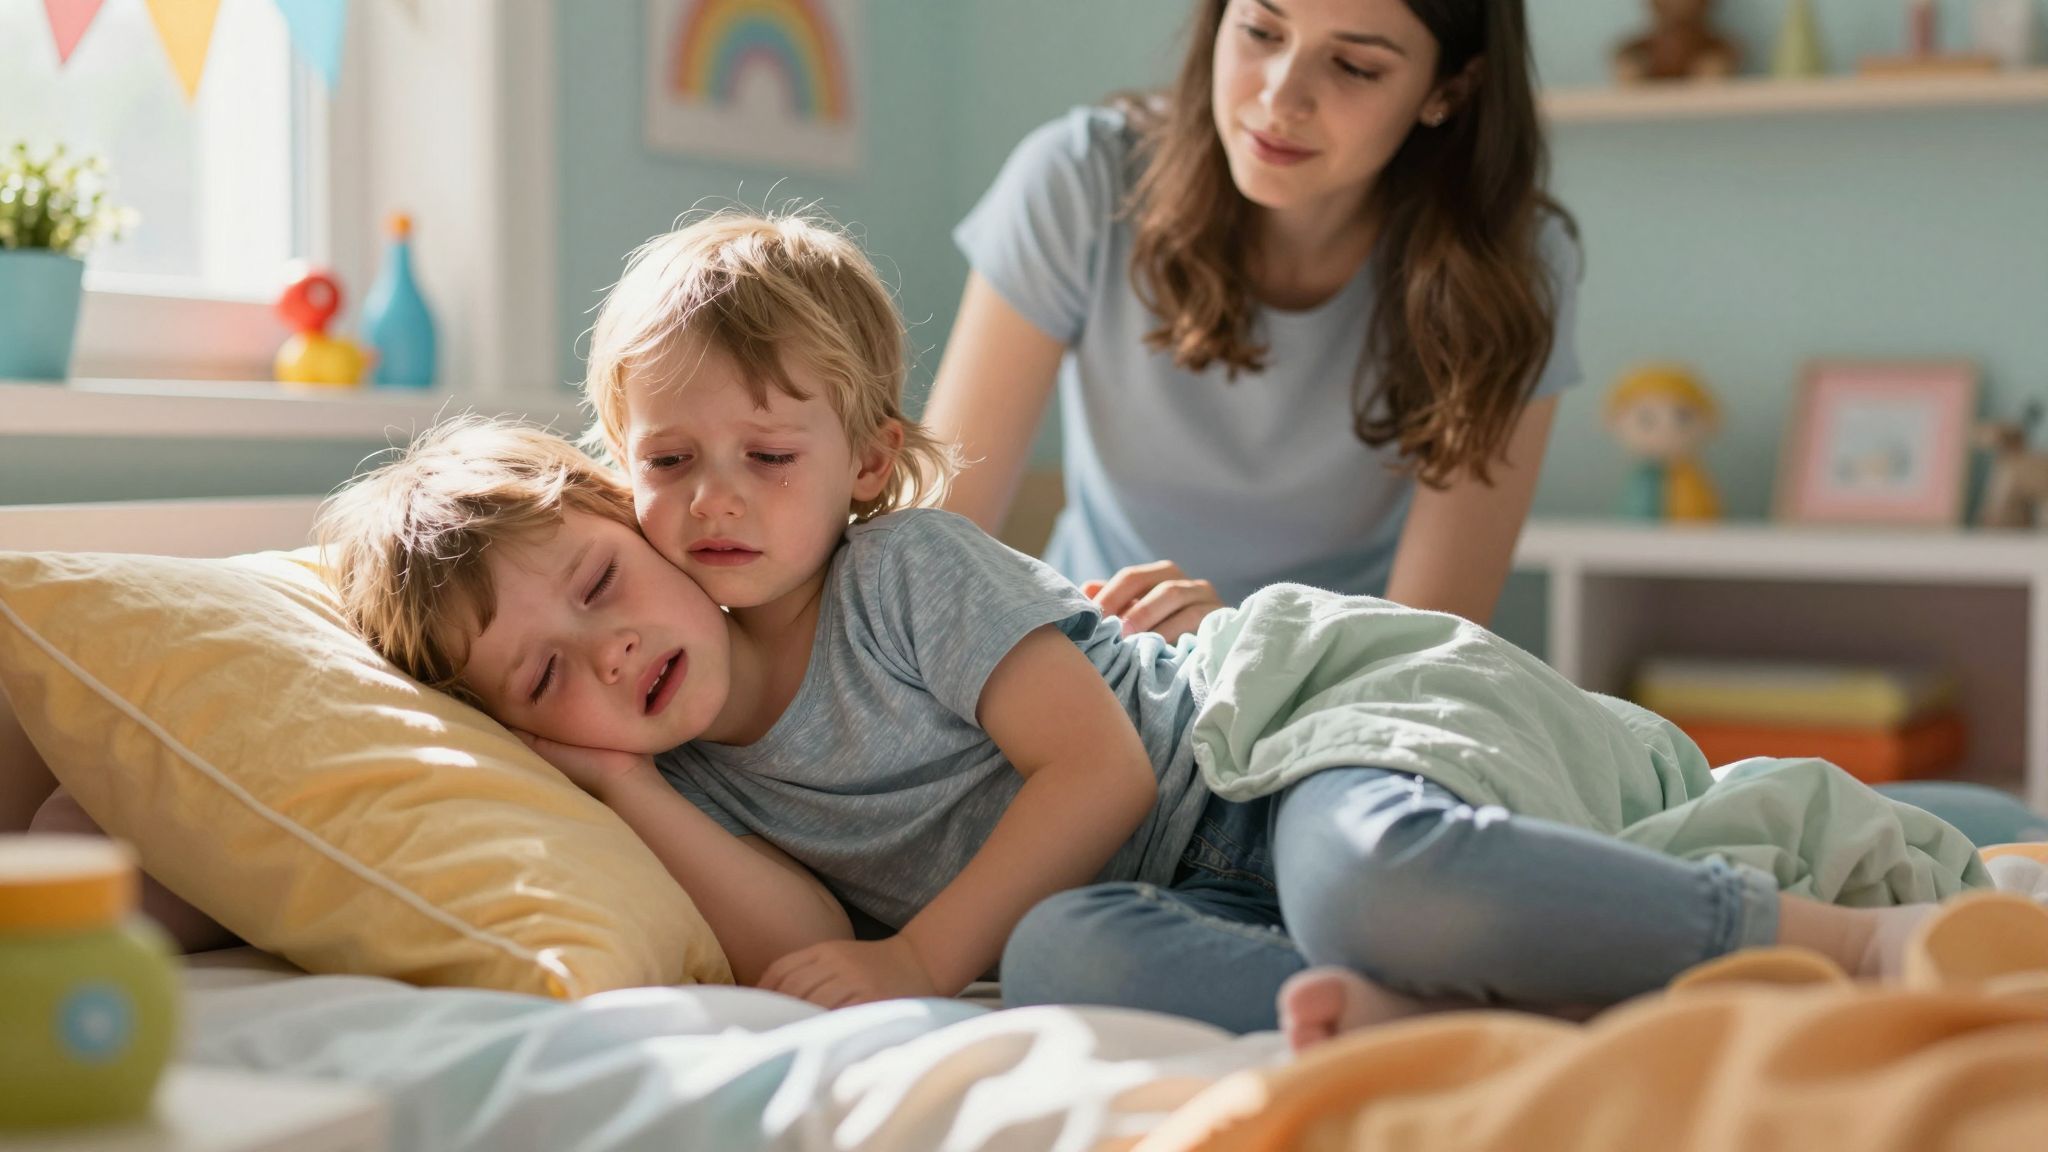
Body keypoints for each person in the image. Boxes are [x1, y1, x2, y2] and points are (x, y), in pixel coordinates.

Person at [323, 211, 2008, 1046]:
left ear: (866, 465)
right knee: (1061, 962)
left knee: (1378, 880)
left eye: (765, 459)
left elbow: (1103, 769)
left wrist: (919, 958)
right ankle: (1442, 1008)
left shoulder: (903, 575)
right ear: (621, 476)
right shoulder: (680, 745)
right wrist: (623, 781)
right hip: (1174, 885)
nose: (708, 510)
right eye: (670, 467)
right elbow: (795, 945)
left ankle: (1855, 944)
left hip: (1275, 743)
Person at [928, 0, 1578, 640]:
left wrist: (1242, 649)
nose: (1280, 98)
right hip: (1090, 664)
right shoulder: (1080, 180)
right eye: (1261, 30)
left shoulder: (1510, 263)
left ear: (1449, 89)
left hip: (1343, 688)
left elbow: (1432, 645)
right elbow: (928, 554)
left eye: (1354, 66)